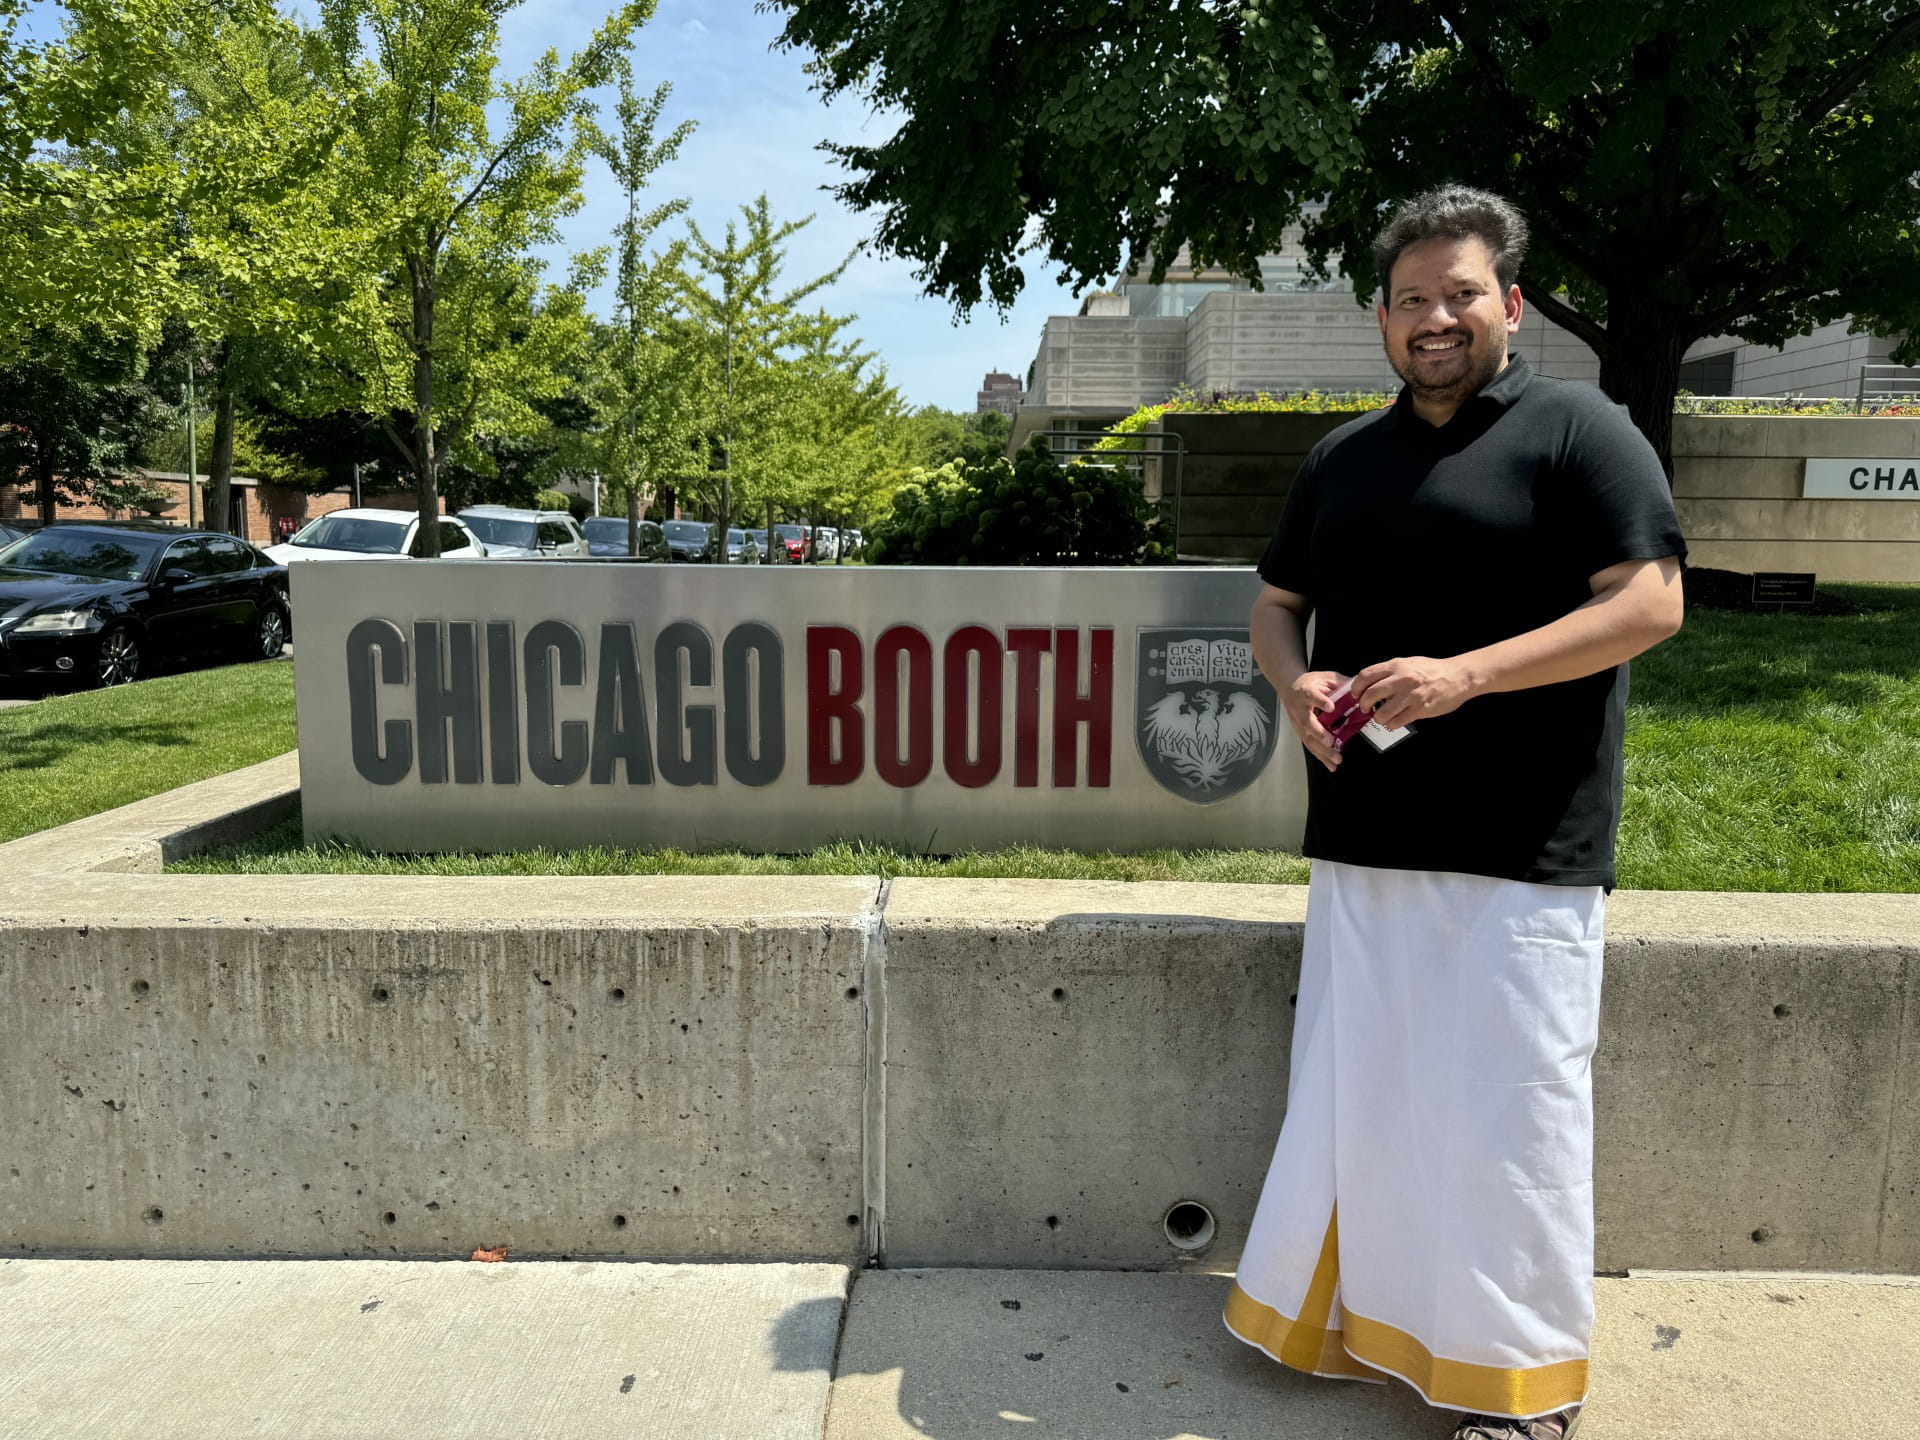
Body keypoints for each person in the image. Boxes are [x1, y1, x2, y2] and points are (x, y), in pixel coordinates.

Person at [1223, 186, 1687, 1440]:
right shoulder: (1343, 457)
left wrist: (1466, 673)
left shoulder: (1583, 430)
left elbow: (1650, 605)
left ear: (1511, 305)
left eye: (1461, 295)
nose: (1437, 318)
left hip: (1523, 848)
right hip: (1367, 840)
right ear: (1382, 317)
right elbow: (1275, 605)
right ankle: (1372, 1329)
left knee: (1508, 1122)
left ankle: (1523, 1389)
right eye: (1413, 299)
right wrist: (1296, 677)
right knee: (1365, 1099)